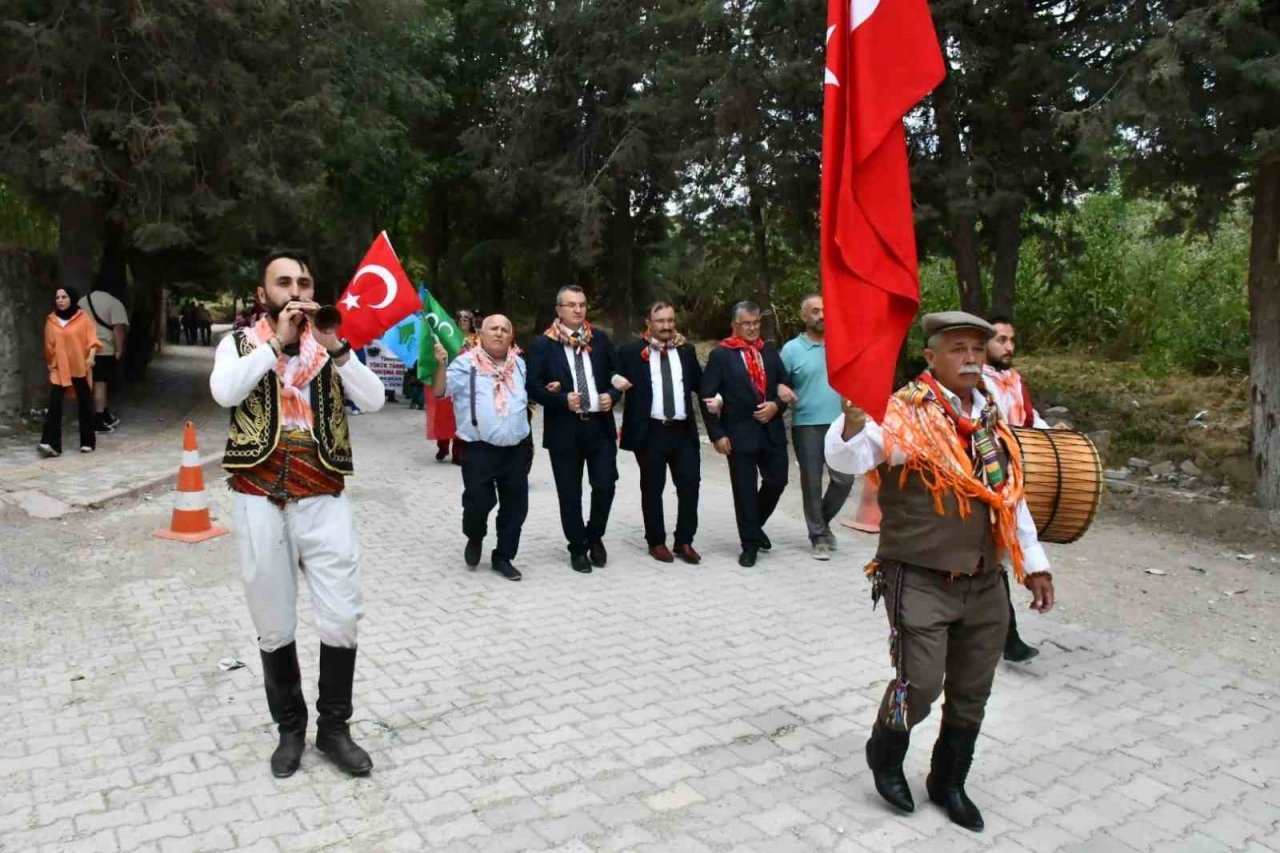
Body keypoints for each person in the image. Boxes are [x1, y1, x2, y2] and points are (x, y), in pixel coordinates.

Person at [824, 311, 1055, 832]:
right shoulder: (902, 414)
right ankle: (886, 749)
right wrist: (853, 421)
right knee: (921, 684)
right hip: (920, 577)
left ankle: (948, 780)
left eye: (979, 347)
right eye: (958, 348)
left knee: (974, 688)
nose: (972, 357)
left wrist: (1034, 564)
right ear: (930, 357)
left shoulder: (992, 418)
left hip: (984, 579)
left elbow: (1009, 499)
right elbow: (845, 459)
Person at [209, 250, 386, 779]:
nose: (295, 290)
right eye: (283, 282)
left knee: (341, 614)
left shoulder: (329, 349)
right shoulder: (240, 344)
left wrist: (337, 348)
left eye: (303, 282)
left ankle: (334, 729)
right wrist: (277, 344)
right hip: (259, 497)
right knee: (272, 615)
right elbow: (225, 393)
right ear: (264, 295)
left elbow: (374, 401)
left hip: (324, 497)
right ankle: (290, 730)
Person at [527, 285, 621, 574]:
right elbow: (531, 385)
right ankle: (577, 547)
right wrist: (559, 399)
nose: (578, 309)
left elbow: (615, 376)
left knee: (605, 485)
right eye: (571, 305)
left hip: (599, 427)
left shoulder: (600, 339)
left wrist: (611, 396)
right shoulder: (544, 345)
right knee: (570, 493)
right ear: (559, 310)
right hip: (564, 430)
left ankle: (594, 535)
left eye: (582, 304)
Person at [433, 315, 531, 581]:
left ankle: (503, 556)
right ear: (481, 334)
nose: (499, 333)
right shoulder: (466, 363)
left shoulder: (519, 365)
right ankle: (475, 536)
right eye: (493, 329)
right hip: (479, 450)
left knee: (516, 507)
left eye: (504, 329)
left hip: (515, 449)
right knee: (478, 501)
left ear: (511, 336)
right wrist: (441, 365)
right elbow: (441, 391)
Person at [983, 314, 1052, 663]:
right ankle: (1006, 640)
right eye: (1001, 340)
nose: (1008, 347)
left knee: (997, 562)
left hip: (1013, 481)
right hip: (988, 479)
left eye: (1011, 339)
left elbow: (1028, 419)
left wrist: (1052, 433)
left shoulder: (1013, 381)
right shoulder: (976, 384)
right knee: (993, 562)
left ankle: (1004, 639)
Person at [701, 301, 789, 567]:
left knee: (778, 480)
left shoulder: (770, 352)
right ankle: (749, 544)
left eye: (755, 323)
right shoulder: (722, 355)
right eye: (746, 324)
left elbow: (784, 385)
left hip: (771, 431)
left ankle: (754, 524)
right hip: (739, 433)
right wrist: (717, 435)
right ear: (734, 326)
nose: (752, 329)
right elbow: (707, 396)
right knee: (745, 490)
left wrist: (777, 405)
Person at [616, 301, 703, 565]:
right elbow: (611, 375)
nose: (666, 326)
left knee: (690, 485)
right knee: (653, 487)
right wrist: (614, 381)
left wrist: (718, 397)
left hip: (683, 430)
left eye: (670, 320)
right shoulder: (632, 352)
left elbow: (701, 383)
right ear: (648, 322)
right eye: (661, 321)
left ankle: (684, 540)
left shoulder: (686, 351)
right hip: (650, 431)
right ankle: (656, 541)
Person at [780, 294, 854, 561]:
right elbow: (778, 381)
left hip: (841, 423)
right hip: (807, 424)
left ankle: (819, 521)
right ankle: (819, 536)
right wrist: (781, 388)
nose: (822, 315)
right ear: (804, 317)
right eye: (815, 311)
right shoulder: (791, 350)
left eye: (825, 310)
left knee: (845, 478)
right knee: (811, 482)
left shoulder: (841, 344)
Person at [39, 286, 101, 457]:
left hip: (80, 366)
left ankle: (87, 441)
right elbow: (48, 347)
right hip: (59, 368)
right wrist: (52, 364)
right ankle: (51, 444)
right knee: (54, 404)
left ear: (71, 298)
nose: (60, 300)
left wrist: (90, 357)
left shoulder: (83, 318)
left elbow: (93, 340)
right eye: (57, 297)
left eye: (64, 297)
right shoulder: (51, 321)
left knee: (85, 403)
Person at [79, 287, 129, 433]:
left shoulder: (82, 301)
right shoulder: (114, 303)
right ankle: (98, 419)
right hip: (104, 349)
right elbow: (118, 328)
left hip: (85, 349)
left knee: (89, 383)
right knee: (101, 384)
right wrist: (119, 350)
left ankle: (102, 414)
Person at [431, 310, 477, 463]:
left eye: (466, 319)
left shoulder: (477, 339)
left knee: (461, 416)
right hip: (448, 378)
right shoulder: (448, 335)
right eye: (461, 318)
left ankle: (458, 452)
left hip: (465, 381)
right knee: (444, 416)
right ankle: (442, 447)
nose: (463, 321)